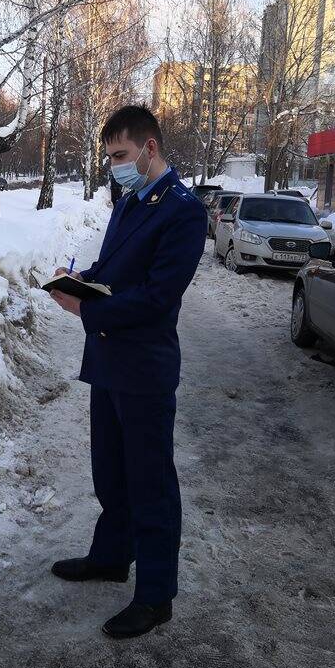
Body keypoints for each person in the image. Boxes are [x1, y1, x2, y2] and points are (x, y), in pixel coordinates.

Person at [48, 105, 207, 638]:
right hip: (110, 363)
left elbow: (158, 297)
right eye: (109, 157)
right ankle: (112, 556)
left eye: (120, 155)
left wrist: (86, 309)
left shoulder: (183, 211)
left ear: (150, 149)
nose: (113, 165)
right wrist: (76, 282)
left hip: (144, 370)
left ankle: (156, 595)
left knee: (150, 482)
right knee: (109, 472)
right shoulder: (130, 201)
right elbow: (115, 272)